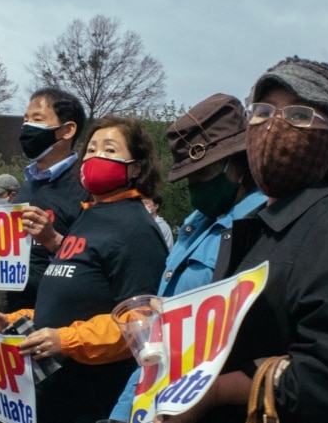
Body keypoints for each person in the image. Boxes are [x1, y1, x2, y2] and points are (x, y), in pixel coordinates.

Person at [157, 57, 328, 423]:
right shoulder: (260, 224)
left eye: (298, 116)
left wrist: (215, 391)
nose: (272, 126)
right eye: (261, 112)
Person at [0, 114, 168, 423]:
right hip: (55, 396)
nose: (95, 157)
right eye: (91, 149)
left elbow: (141, 325)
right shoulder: (89, 217)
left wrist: (66, 340)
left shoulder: (137, 231)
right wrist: (12, 320)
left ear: (138, 167)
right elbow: (68, 306)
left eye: (110, 149)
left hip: (93, 401)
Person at [109, 92, 267, 422]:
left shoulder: (262, 232)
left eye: (203, 173)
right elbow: (155, 347)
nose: (194, 186)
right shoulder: (196, 225)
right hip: (158, 401)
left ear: (237, 163)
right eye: (188, 176)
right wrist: (123, 415)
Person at [0, 89, 90, 400]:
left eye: (37, 120)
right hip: (14, 314)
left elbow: (90, 259)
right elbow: (10, 245)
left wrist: (53, 238)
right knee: (17, 402)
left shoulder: (83, 186)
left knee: (52, 403)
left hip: (57, 324)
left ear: (67, 130)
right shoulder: (31, 182)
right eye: (25, 120)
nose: (26, 128)